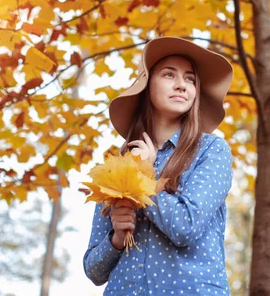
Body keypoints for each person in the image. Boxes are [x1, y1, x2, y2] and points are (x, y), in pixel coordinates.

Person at [83, 37, 234, 295]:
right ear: (146, 85)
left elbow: (186, 226)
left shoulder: (212, 151)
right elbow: (94, 271)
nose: (181, 85)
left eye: (190, 79)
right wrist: (117, 239)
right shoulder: (116, 168)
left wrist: (147, 176)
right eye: (169, 74)